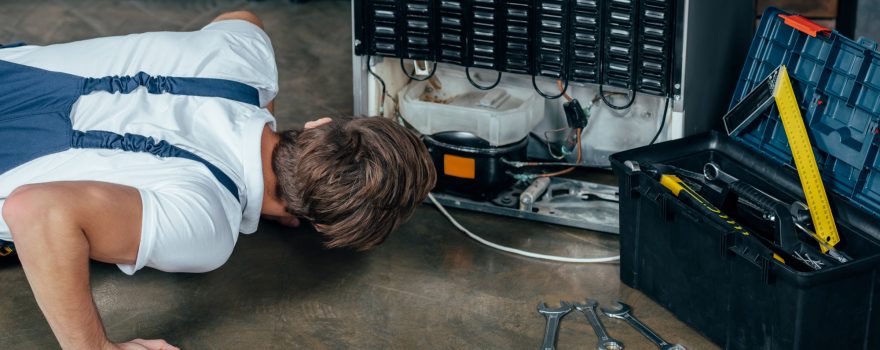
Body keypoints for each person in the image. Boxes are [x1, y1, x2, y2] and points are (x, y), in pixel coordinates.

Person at [0, 10, 436, 350]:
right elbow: (35, 211)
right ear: (322, 225)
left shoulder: (243, 56)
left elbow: (242, 18)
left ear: (318, 124)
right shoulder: (207, 224)